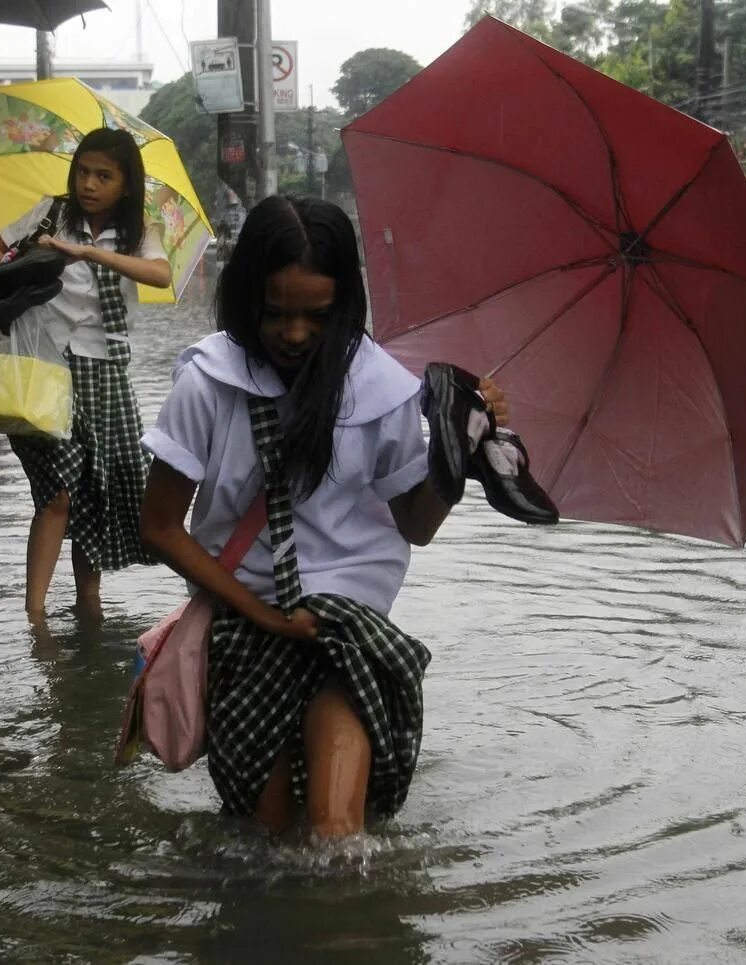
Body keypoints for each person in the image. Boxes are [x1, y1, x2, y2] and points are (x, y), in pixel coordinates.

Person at [139, 196, 508, 840]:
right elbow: (160, 525)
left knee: (338, 833)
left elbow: (416, 525)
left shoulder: (381, 388)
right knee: (268, 838)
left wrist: (458, 449)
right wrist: (266, 615)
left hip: (349, 633)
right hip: (246, 626)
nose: (295, 334)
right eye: (276, 313)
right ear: (246, 294)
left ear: (344, 305)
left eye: (317, 315)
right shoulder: (208, 384)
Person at [0, 128, 171, 619]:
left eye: (103, 176)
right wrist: (25, 266)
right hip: (46, 367)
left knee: (97, 489)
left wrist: (89, 252)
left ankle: (89, 601)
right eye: (84, 172)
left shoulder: (141, 234)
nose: (89, 184)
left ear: (125, 185)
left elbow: (160, 276)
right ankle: (35, 615)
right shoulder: (51, 213)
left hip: (106, 372)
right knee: (58, 492)